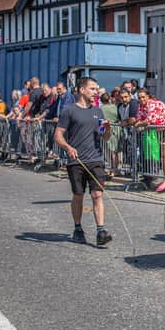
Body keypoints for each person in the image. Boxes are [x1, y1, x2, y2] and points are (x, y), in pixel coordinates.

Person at [54, 77, 113, 246]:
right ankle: (78, 228)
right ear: (82, 90)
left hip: (96, 159)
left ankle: (101, 230)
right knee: (78, 195)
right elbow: (58, 135)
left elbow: (104, 136)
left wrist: (107, 130)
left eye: (96, 89)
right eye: (92, 89)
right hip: (76, 161)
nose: (96, 92)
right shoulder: (69, 111)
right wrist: (68, 148)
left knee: (97, 194)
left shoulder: (98, 112)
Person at [134, 88, 165, 192]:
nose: (141, 99)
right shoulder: (141, 106)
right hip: (160, 130)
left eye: (143, 97)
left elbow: (151, 120)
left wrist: (139, 124)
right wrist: (138, 122)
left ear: (148, 96)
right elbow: (139, 118)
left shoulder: (153, 104)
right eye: (139, 98)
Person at [100, 92, 120, 177]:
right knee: (115, 151)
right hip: (116, 129)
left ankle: (113, 169)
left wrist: (100, 132)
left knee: (109, 151)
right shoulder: (115, 107)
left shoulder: (101, 109)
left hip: (106, 129)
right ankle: (115, 169)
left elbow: (100, 121)